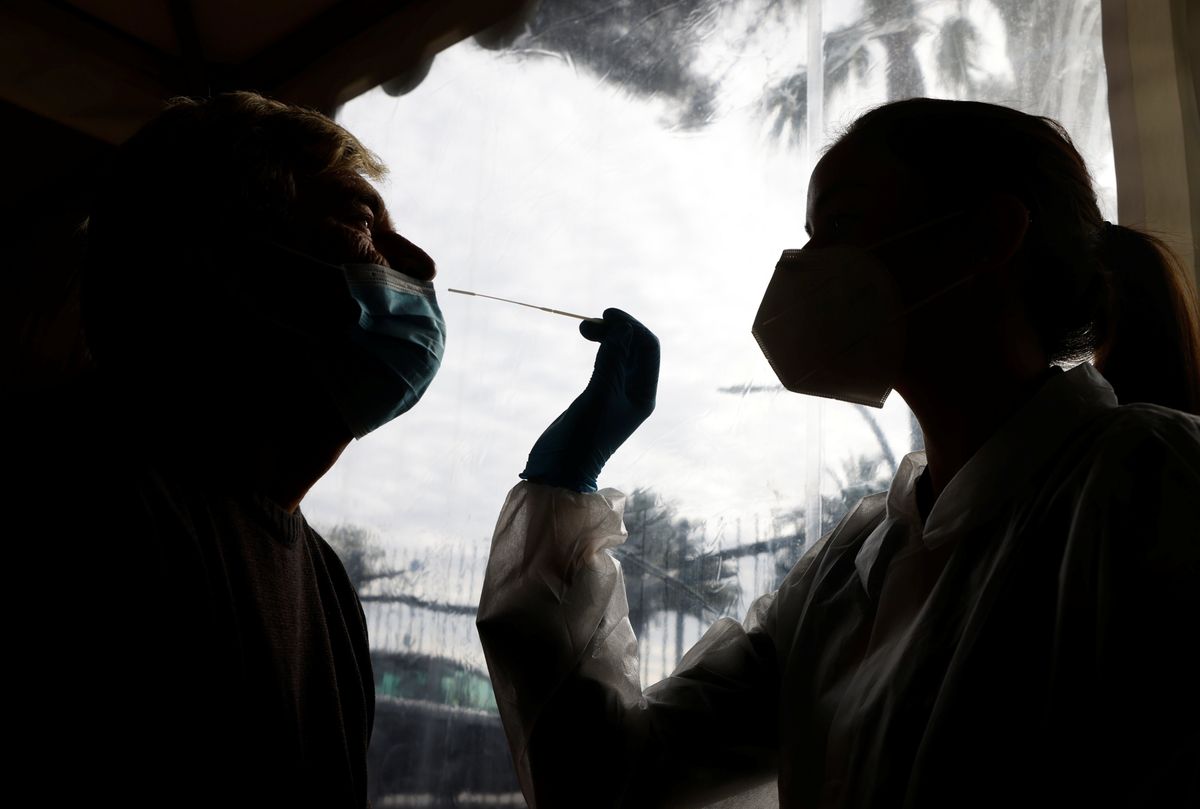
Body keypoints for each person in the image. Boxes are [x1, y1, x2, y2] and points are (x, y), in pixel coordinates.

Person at [476, 98, 1200, 808]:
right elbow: (609, 776)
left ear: (987, 235)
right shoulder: (848, 572)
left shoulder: (1149, 480)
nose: (801, 269)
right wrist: (557, 495)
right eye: (808, 233)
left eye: (840, 227)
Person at [6, 92, 444, 807]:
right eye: (363, 223)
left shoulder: (328, 585)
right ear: (224, 258)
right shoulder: (66, 496)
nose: (421, 263)